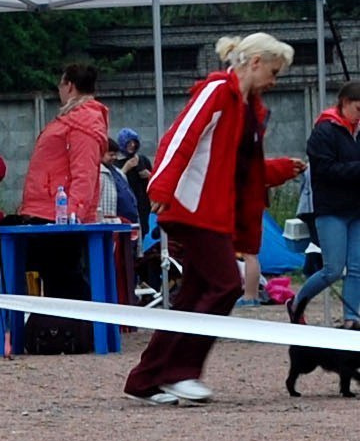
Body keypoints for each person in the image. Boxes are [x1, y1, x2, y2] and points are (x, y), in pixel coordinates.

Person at [124, 33, 305, 405]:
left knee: (194, 293)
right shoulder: (218, 91)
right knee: (225, 286)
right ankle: (179, 373)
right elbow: (181, 137)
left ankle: (146, 379)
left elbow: (239, 169)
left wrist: (282, 169)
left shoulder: (246, 107)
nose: (275, 81)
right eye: (273, 72)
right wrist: (159, 187)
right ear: (254, 63)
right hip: (192, 209)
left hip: (212, 213)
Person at [288, 79, 360, 329]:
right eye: (358, 109)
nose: (359, 116)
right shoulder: (324, 131)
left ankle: (352, 318)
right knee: (332, 269)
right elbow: (325, 170)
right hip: (331, 210)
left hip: (356, 210)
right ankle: (297, 301)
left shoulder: (356, 131)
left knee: (357, 267)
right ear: (345, 103)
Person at [20, 64, 109, 224]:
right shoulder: (75, 121)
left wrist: (72, 216)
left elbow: (84, 173)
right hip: (46, 211)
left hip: (57, 215)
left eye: (60, 85)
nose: (59, 91)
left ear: (70, 86)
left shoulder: (82, 123)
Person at [117, 127, 153, 231]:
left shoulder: (143, 160)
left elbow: (153, 180)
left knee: (144, 229)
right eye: (129, 143)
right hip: (126, 206)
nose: (132, 145)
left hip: (143, 205)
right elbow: (115, 182)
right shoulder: (117, 162)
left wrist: (148, 176)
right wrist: (125, 169)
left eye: (134, 143)